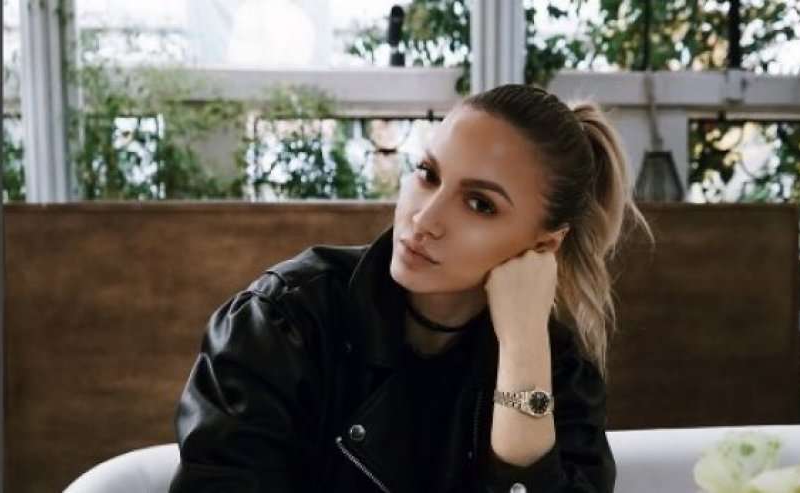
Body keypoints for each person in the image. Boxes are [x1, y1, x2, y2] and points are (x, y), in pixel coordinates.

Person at [168, 83, 651, 493]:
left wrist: (523, 349)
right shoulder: (282, 322)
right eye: (428, 174)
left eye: (480, 204)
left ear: (544, 244)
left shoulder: (560, 374)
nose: (425, 218)